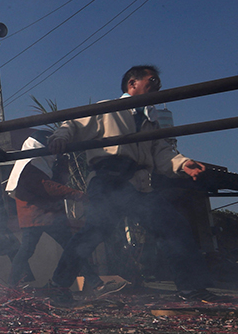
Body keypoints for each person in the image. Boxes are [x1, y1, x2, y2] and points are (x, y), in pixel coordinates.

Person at [47, 65, 213, 304]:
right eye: (152, 81)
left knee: (172, 226)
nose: (157, 87)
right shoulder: (108, 109)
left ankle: (191, 289)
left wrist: (183, 164)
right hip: (108, 179)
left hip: (139, 185)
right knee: (93, 233)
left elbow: (162, 151)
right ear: (132, 84)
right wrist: (60, 137)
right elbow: (74, 125)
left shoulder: (149, 123)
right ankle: (59, 285)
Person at [6, 131, 102, 290]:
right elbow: (47, 187)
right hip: (36, 216)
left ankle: (95, 283)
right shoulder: (29, 166)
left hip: (46, 216)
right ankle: (12, 285)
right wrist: (76, 194)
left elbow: (57, 181)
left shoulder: (42, 164)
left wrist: (62, 162)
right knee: (29, 251)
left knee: (68, 248)